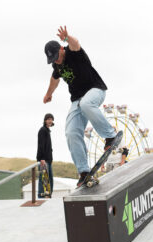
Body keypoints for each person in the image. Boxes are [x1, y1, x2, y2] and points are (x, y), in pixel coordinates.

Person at [43, 26, 118, 187]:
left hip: (95, 90)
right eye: (53, 59)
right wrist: (49, 94)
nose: (57, 60)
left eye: (57, 56)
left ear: (61, 49)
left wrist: (67, 37)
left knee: (86, 104)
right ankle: (84, 172)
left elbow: (76, 43)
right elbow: (54, 80)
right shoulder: (56, 66)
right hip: (77, 100)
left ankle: (110, 135)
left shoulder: (72, 52)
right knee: (70, 132)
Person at [36, 113, 54, 198]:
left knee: (49, 179)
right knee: (43, 179)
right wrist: (41, 158)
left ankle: (48, 195)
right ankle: (41, 196)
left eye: (51, 119)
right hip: (44, 160)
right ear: (45, 120)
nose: (50, 121)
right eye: (48, 119)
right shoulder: (43, 130)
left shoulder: (47, 130)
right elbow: (41, 145)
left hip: (48, 160)